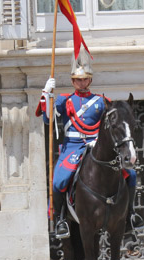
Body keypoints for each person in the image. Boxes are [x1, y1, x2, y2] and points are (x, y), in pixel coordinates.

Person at [37, 50, 138, 239]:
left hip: (96, 145)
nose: (81, 83)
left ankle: (130, 214)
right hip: (73, 147)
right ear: (72, 81)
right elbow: (47, 119)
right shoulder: (64, 100)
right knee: (59, 180)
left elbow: (113, 121)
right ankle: (61, 220)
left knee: (130, 175)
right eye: (77, 79)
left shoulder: (101, 101)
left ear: (90, 80)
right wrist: (46, 94)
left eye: (85, 79)